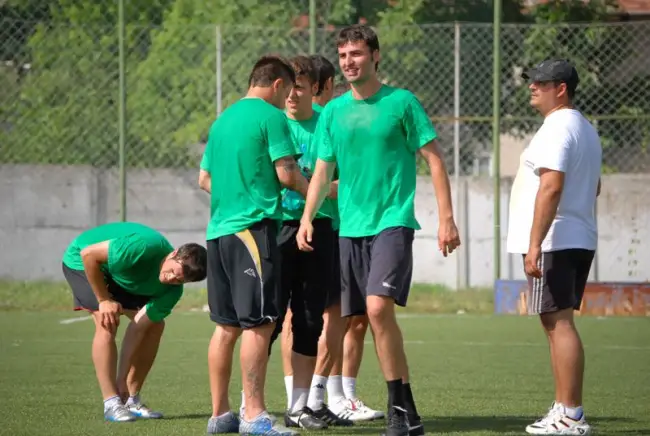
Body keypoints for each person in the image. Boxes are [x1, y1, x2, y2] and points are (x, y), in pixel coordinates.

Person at [296, 24, 461, 436]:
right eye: (344, 55)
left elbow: (435, 160)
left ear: (375, 56)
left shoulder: (402, 103)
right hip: (350, 229)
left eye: (357, 54)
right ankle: (405, 411)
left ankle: (396, 405)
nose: (350, 62)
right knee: (355, 318)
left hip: (393, 220)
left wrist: (446, 218)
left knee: (376, 308)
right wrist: (306, 219)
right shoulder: (333, 111)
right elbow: (321, 172)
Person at [198, 54, 309, 436]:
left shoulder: (222, 120)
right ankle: (255, 417)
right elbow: (287, 174)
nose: (288, 100)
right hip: (252, 231)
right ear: (278, 85)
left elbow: (204, 179)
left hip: (218, 233)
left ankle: (221, 416)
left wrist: (236, 191)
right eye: (288, 92)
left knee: (225, 326)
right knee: (259, 323)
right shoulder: (270, 116)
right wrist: (321, 194)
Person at [506, 59, 601, 436]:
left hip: (555, 240)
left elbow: (551, 186)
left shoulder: (558, 127)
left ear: (561, 88)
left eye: (541, 82)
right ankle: (564, 406)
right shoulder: (584, 128)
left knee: (558, 324)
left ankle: (572, 414)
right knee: (555, 322)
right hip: (576, 236)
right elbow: (594, 187)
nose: (533, 86)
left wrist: (534, 244)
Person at [270, 54, 352, 430]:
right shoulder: (270, 125)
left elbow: (346, 180)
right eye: (287, 87)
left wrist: (321, 192)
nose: (291, 95)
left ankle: (307, 403)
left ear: (314, 90)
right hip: (276, 227)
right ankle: (257, 403)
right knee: (270, 319)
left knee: (313, 316)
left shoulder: (328, 123)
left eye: (299, 87)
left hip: (322, 229)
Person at [61, 221, 207, 422]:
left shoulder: (171, 292)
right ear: (174, 254)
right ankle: (111, 403)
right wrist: (104, 300)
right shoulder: (142, 248)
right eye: (173, 271)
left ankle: (131, 398)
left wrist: (122, 378)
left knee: (155, 325)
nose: (171, 279)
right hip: (83, 261)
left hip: (121, 277)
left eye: (179, 280)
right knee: (107, 320)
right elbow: (89, 255)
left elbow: (138, 328)